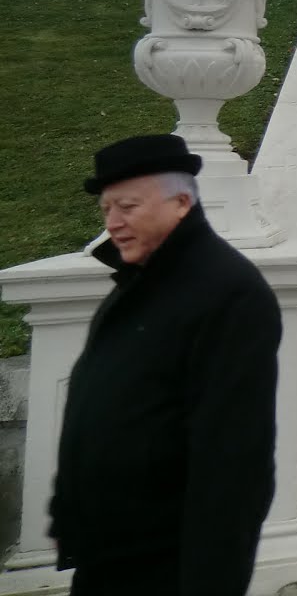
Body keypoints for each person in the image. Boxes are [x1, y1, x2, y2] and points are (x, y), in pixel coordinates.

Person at [50, 133, 281, 596]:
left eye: (128, 207)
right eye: (106, 210)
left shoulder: (229, 293)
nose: (112, 223)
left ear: (180, 203)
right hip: (107, 560)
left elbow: (233, 468)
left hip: (164, 570)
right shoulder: (137, 284)